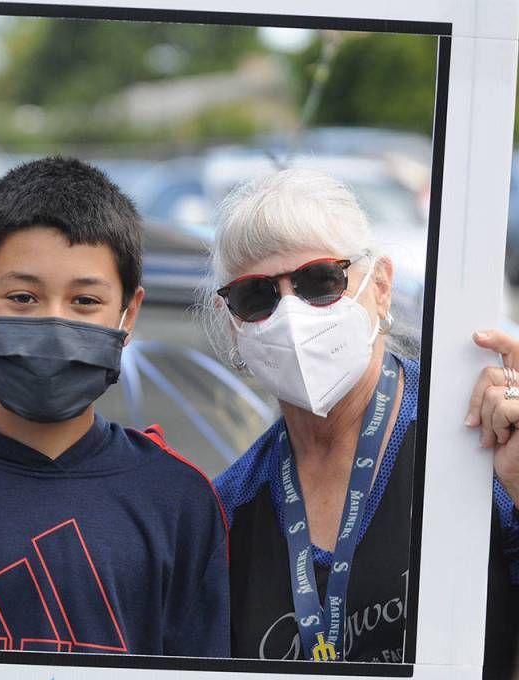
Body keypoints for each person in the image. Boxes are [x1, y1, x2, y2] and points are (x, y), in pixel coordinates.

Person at [0, 157, 230, 657]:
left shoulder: (179, 497)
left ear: (129, 314)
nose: (54, 325)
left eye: (84, 302)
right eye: (22, 297)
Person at [202, 169, 519, 667]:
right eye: (256, 296)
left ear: (382, 287)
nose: (291, 313)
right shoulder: (229, 508)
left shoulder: (476, 438)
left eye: (321, 280)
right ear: (233, 324)